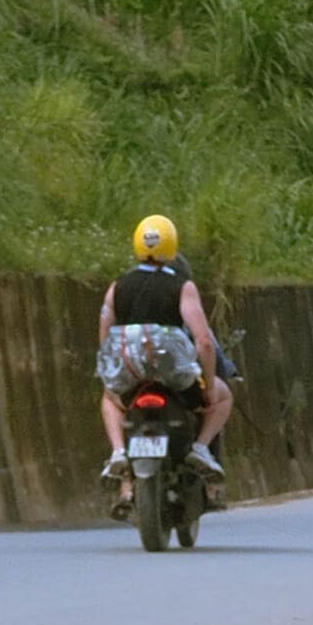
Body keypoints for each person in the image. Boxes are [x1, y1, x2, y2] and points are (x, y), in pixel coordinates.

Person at [94, 215, 231, 513]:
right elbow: (204, 341)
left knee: (109, 398)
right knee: (224, 397)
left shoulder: (118, 287)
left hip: (131, 376)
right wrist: (207, 386)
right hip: (174, 379)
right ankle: (200, 449)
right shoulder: (182, 286)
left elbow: (105, 332)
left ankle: (118, 451)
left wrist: (111, 373)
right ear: (172, 245)